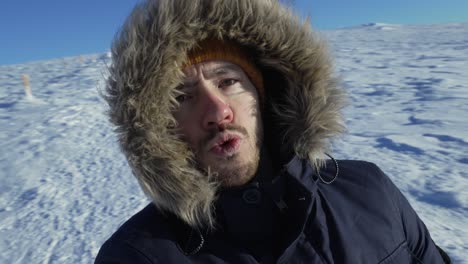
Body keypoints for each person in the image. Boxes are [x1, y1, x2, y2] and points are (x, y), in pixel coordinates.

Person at [96, 0, 450, 263]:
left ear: (263, 93)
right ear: (158, 124)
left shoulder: (370, 191)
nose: (218, 111)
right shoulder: (137, 255)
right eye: (181, 96)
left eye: (229, 81)